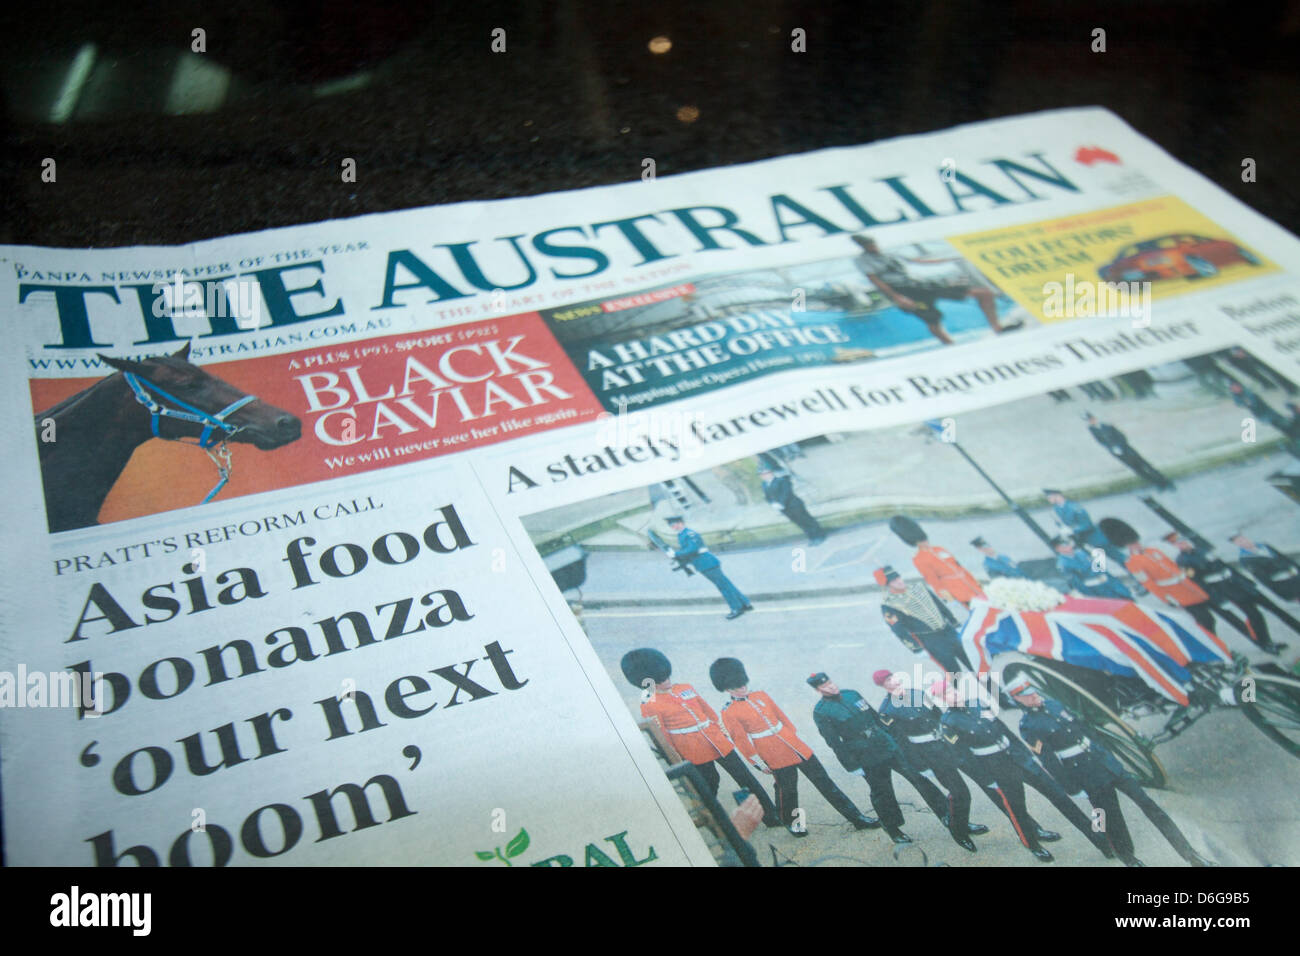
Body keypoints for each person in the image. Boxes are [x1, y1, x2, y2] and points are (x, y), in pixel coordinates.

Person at [1011, 678, 1212, 867]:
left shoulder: (1054, 705)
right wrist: (1072, 788)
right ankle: (1128, 858)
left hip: (1106, 763)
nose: (1034, 695)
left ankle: (1190, 855)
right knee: (1111, 819)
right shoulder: (1029, 726)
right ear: (1017, 700)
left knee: (1149, 805)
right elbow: (1050, 761)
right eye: (1027, 695)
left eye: (1033, 691)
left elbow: (1087, 730)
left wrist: (1107, 754)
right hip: (1086, 774)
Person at [934, 680, 1114, 863]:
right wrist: (988, 779)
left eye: (951, 689)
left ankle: (1100, 841)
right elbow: (962, 757)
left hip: (1019, 759)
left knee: (1061, 798)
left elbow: (1004, 730)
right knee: (1018, 810)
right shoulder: (948, 723)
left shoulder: (979, 703)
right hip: (997, 769)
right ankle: (1032, 844)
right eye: (946, 694)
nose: (953, 694)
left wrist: (1025, 754)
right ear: (941, 700)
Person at [711, 658, 879, 836]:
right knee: (788, 791)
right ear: (727, 688)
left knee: (826, 784)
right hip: (773, 753)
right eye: (737, 686)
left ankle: (857, 818)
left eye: (742, 683)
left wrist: (790, 736)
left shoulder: (760, 695)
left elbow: (782, 718)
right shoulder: (729, 711)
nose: (742, 687)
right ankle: (792, 823)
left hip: (796, 746)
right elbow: (741, 741)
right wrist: (759, 762)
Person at [621, 648, 780, 826]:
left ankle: (770, 815)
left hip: (717, 741)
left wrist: (723, 734)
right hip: (692, 750)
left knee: (745, 777)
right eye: (659, 681)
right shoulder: (650, 703)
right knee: (709, 783)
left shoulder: (685, 688)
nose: (666, 682)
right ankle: (713, 820)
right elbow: (662, 736)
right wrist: (677, 759)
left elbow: (708, 713)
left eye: (666, 677)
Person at [808, 671, 949, 845]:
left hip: (886, 745)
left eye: (830, 682)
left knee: (920, 778)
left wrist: (893, 739)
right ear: (818, 690)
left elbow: (876, 717)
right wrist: (851, 765)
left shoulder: (851, 694)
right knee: (883, 793)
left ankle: (947, 815)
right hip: (866, 756)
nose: (831, 686)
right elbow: (834, 742)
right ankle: (893, 828)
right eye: (824, 686)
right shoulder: (822, 712)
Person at [875, 670, 986, 852]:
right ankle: (958, 831)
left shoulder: (917, 693)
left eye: (892, 676)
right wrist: (921, 766)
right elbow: (901, 743)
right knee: (959, 792)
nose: (893, 681)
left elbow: (937, 715)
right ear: (883, 686)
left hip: (945, 746)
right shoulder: (887, 710)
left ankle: (963, 824)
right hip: (928, 755)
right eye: (887, 680)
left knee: (962, 791)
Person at [850, 234, 1020, 345]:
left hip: (920, 284)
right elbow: (875, 280)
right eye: (867, 245)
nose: (872, 247)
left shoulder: (889, 254)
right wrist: (897, 298)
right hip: (904, 292)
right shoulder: (862, 261)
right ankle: (951, 346)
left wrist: (951, 258)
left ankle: (997, 328)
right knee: (932, 319)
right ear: (862, 247)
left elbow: (918, 262)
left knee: (984, 293)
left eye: (872, 243)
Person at [1167, 533, 1289, 654]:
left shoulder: (1203, 550)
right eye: (1179, 543)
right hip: (1225, 589)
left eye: (1184, 541)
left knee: (1273, 609)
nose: (1183, 544)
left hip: (1237, 583)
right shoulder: (1182, 561)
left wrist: (1246, 581)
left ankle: (1270, 641)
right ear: (1176, 546)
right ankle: (1266, 644)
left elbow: (1225, 566)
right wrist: (1218, 599)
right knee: (1254, 615)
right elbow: (1198, 582)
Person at [1099, 518, 1219, 635]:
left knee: (1210, 620)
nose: (1137, 545)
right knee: (1206, 622)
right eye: (1133, 544)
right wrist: (1167, 599)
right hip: (1179, 596)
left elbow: (1174, 568)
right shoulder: (1132, 563)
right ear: (1127, 546)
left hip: (1191, 589)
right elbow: (1150, 584)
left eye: (1136, 542)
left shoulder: (1153, 551)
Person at [876, 565, 973, 674]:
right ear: (887, 585)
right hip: (931, 640)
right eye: (893, 581)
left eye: (898, 577)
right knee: (955, 673)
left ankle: (994, 690)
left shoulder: (920, 587)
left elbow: (940, 606)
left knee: (975, 664)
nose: (899, 581)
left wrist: (955, 623)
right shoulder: (889, 605)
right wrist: (916, 649)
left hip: (949, 632)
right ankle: (958, 691)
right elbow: (899, 631)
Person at [889, 514, 986, 608]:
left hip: (973, 586)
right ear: (915, 541)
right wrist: (947, 597)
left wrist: (975, 581)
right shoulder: (919, 559)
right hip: (959, 592)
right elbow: (933, 581)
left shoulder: (939, 549)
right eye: (922, 541)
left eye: (924, 540)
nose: (926, 542)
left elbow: (959, 566)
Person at [666, 516, 752, 620]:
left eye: (673, 524)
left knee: (723, 587)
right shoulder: (682, 534)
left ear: (680, 523)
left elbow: (692, 549)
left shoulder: (689, 534)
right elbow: (688, 551)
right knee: (726, 584)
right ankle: (745, 603)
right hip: (704, 563)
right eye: (670, 525)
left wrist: (676, 554)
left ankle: (736, 608)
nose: (672, 527)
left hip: (707, 563)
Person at [1084, 413, 1175, 490]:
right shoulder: (1093, 430)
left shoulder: (1107, 426)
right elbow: (1101, 441)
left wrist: (1120, 446)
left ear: (1095, 418)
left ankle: (1165, 481)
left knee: (1146, 465)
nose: (1092, 422)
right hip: (1118, 454)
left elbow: (1121, 436)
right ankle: (1157, 484)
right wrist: (1112, 449)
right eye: (1089, 421)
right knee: (1137, 470)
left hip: (1127, 449)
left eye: (1092, 419)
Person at [1045, 490, 1127, 568]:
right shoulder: (1056, 509)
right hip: (1082, 543)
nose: (1048, 500)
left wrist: (1072, 530)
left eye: (1049, 497)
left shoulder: (1074, 507)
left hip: (1095, 539)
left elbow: (1087, 525)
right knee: (1097, 566)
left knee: (1119, 558)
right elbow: (1061, 524)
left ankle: (1136, 572)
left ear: (1057, 495)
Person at [759, 466, 826, 544]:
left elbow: (786, 493)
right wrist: (772, 504)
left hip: (794, 505)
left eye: (766, 473)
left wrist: (781, 503)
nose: (765, 476)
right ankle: (812, 537)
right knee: (799, 523)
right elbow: (767, 496)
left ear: (771, 473)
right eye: (762, 475)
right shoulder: (764, 484)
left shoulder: (782, 480)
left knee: (807, 520)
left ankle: (819, 535)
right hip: (784, 509)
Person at [1051, 536, 1132, 599]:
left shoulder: (1080, 552)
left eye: (1069, 543)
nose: (1069, 546)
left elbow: (1100, 569)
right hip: (1097, 590)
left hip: (1111, 584)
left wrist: (1118, 584)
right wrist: (1093, 597)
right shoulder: (1063, 565)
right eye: (1065, 545)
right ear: (1058, 549)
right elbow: (1078, 584)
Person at [1231, 532, 1300, 603]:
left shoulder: (1265, 546)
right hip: (1285, 584)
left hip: (1295, 575)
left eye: (1243, 539)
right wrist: (1285, 595)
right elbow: (1264, 580)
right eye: (1239, 542)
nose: (1244, 542)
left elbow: (1284, 558)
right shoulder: (1245, 560)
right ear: (1237, 545)